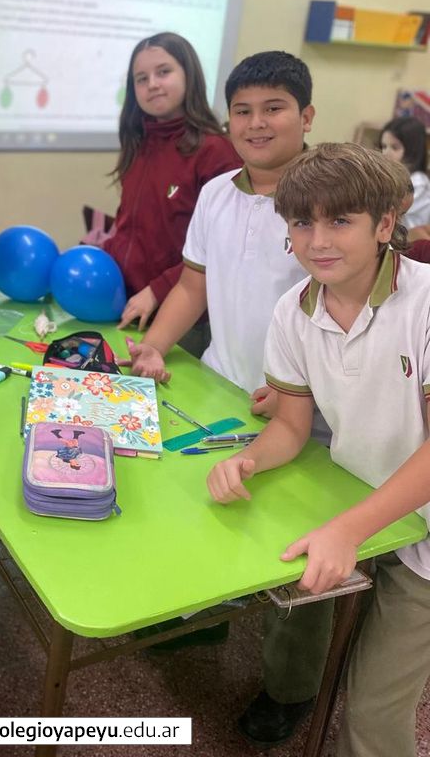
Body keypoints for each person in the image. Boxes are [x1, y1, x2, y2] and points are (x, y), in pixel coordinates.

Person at [130, 51, 333, 744]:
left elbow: (346, 307)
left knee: (297, 549)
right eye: (242, 110)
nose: (256, 123)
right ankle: (204, 614)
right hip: (223, 382)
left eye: (274, 108)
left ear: (307, 116)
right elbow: (194, 284)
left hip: (308, 410)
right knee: (209, 503)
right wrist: (157, 346)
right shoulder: (217, 192)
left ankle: (291, 687)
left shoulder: (325, 205)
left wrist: (301, 388)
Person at [208, 142, 430, 757]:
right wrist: (249, 458)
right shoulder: (293, 310)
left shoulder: (425, 304)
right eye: (303, 222)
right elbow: (290, 424)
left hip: (424, 528)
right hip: (355, 492)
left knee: (373, 713)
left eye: (341, 221)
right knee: (293, 580)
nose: (319, 240)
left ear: (384, 225)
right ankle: (291, 693)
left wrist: (348, 530)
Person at [102, 32, 240, 344]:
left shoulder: (216, 151)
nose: (152, 84)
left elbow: (219, 250)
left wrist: (157, 290)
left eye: (163, 72)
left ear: (189, 75)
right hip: (129, 304)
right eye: (141, 78)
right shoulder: (139, 143)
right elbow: (129, 226)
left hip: (181, 318)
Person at [380, 116, 430, 229]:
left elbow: (386, 210)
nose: (386, 153)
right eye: (384, 146)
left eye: (395, 147)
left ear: (412, 150)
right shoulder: (390, 176)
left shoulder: (418, 182)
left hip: (410, 238)